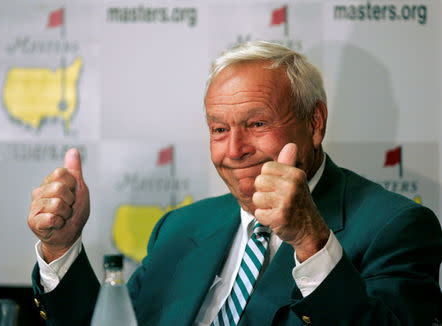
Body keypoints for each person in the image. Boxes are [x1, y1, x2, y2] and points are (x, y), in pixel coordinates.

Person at [28, 41, 442, 326]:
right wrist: (60, 248)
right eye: (219, 129)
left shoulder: (396, 227)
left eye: (257, 124)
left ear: (315, 124)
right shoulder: (181, 227)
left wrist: (310, 239)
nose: (235, 149)